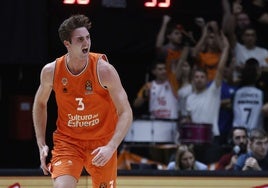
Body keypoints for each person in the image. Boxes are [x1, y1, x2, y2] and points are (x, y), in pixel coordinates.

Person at [32, 14, 133, 188]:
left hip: (102, 142)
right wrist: (41, 143)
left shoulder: (104, 70)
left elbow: (125, 111)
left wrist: (111, 146)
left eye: (87, 37)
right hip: (69, 141)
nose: (86, 43)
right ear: (67, 44)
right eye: (80, 39)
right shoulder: (51, 71)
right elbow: (40, 104)